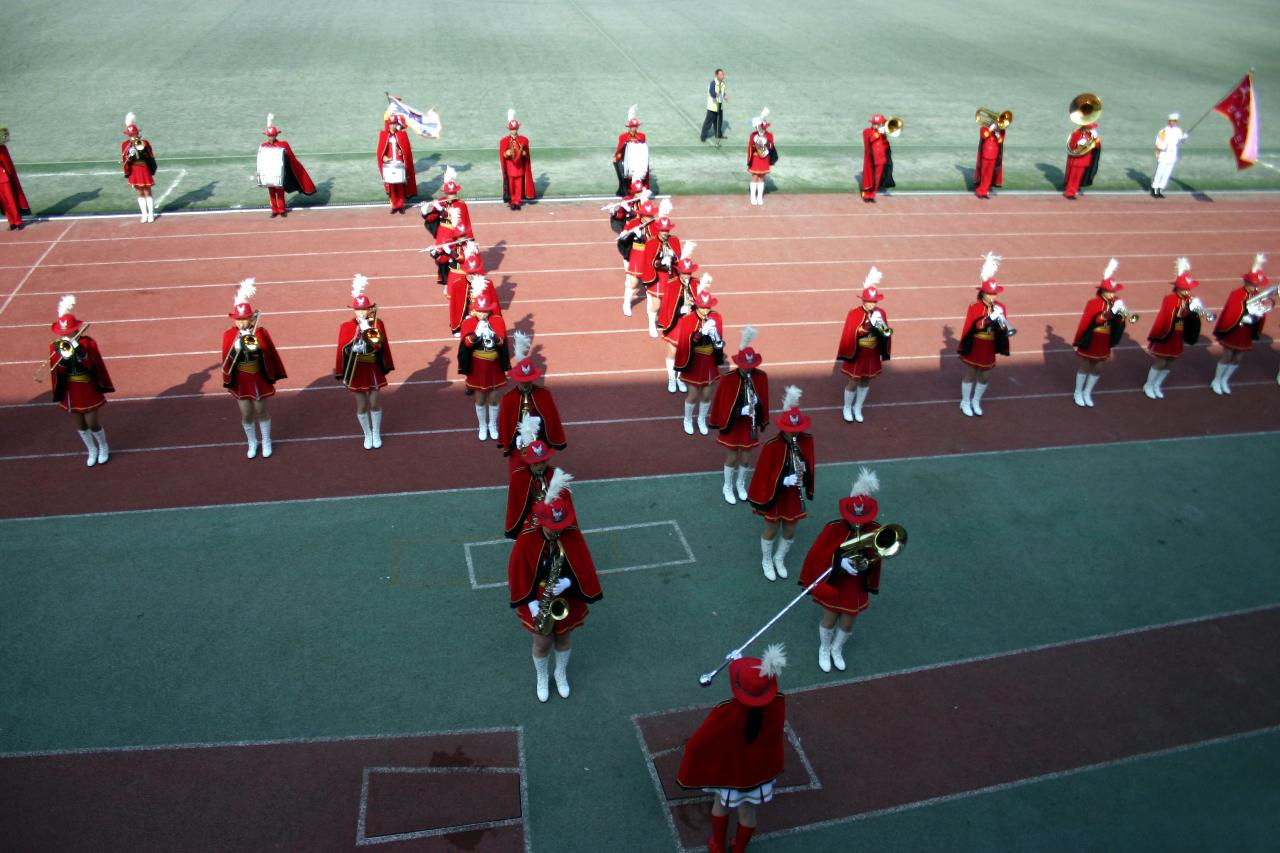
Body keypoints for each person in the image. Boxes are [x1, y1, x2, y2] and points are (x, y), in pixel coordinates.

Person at [676, 644, 787, 853]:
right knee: (748, 813)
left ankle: (717, 844)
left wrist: (690, 752)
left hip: (730, 773)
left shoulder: (726, 711)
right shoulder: (778, 705)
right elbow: (757, 693)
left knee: (721, 805)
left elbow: (701, 740)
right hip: (759, 772)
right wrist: (738, 663)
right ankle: (738, 848)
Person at [507, 469, 604, 702]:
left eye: (560, 526)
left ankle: (560, 673)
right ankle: (542, 676)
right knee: (541, 643)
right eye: (552, 527)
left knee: (564, 638)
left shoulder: (570, 534)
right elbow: (518, 572)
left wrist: (568, 582)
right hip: (538, 598)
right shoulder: (528, 537)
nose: (557, 531)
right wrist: (532, 605)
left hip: (564, 597)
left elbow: (582, 564)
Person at [798, 468, 884, 673]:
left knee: (847, 623)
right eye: (854, 518)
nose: (857, 523)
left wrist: (867, 561)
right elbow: (817, 555)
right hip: (836, 582)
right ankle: (824, 648)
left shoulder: (874, 530)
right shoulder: (834, 528)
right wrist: (839, 562)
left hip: (856, 584)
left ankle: (837, 649)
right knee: (829, 618)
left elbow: (877, 556)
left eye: (861, 519)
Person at [747, 386, 815, 581]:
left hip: (793, 494)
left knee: (791, 529)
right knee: (772, 528)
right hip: (775, 495)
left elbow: (810, 464)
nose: (794, 435)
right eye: (790, 431)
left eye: (797, 431)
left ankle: (779, 558)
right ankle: (766, 560)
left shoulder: (806, 441)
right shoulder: (772, 446)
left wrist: (804, 469)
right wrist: (783, 480)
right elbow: (763, 475)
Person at [221, 279, 286, 459]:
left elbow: (268, 355)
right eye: (238, 320)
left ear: (251, 318)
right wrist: (236, 350)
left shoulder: (259, 333)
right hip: (241, 379)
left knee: (261, 410)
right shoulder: (228, 336)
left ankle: (266, 440)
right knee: (246, 413)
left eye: (245, 319)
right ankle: (252, 442)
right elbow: (226, 363)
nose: (242, 323)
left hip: (257, 376)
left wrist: (256, 349)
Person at [45, 295, 113, 467]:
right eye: (63, 333)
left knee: (92, 422)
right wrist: (64, 357)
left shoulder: (87, 343)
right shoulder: (55, 346)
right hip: (71, 389)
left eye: (69, 331)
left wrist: (79, 351)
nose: (66, 334)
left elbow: (92, 364)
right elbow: (58, 370)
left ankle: (103, 446)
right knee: (81, 424)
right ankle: (91, 449)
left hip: (87, 387)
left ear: (76, 329)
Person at [708, 326, 768, 505]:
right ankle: (728, 486)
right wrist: (739, 411)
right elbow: (723, 403)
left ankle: (741, 484)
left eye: (751, 367)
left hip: (749, 424)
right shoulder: (729, 379)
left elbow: (764, 399)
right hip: (734, 424)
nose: (748, 370)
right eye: (745, 367)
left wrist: (756, 408)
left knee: (747, 457)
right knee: (733, 456)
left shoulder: (760, 377)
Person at [335, 274, 394, 449]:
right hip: (357, 369)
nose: (361, 312)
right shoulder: (347, 327)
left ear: (369, 309)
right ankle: (367, 434)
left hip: (372, 367)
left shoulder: (377, 324)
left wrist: (368, 332)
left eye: (364, 309)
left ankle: (376, 432)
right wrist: (352, 346)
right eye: (358, 310)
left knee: (375, 402)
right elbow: (342, 349)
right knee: (361, 405)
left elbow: (379, 345)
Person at [496, 331, 567, 471]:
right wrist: (516, 440)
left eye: (528, 381)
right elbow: (506, 423)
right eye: (523, 381)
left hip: (539, 439)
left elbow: (551, 418)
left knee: (540, 469)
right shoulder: (509, 397)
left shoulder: (544, 394)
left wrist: (538, 422)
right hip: (519, 441)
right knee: (518, 470)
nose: (526, 384)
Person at [1071, 259, 1132, 408]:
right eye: (1109, 291)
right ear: (1103, 291)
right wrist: (1111, 312)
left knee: (1098, 367)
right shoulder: (1094, 303)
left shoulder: (1116, 302)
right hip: (1093, 338)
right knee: (1086, 365)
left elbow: (1130, 318)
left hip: (1105, 339)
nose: (1112, 294)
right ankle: (1078, 392)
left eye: (1113, 291)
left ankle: (1087, 392)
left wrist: (1124, 313)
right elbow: (1096, 320)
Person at [958, 253, 1013, 417]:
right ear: (982, 293)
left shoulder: (1000, 307)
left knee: (985, 375)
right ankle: (965, 402)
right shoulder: (974, 307)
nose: (992, 296)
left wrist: (1001, 321)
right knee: (970, 373)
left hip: (989, 346)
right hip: (976, 344)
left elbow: (1002, 329)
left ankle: (976, 401)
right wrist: (990, 318)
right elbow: (976, 325)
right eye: (989, 293)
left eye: (994, 293)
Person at [836, 267, 891, 423]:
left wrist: (881, 326)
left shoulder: (881, 313)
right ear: (863, 300)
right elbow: (850, 333)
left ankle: (857, 407)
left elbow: (886, 334)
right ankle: (847, 407)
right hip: (858, 353)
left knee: (866, 380)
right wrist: (864, 328)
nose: (872, 305)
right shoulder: (854, 313)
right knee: (853, 381)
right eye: (869, 301)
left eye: (874, 302)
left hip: (872, 353)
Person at [1144, 257, 1205, 399]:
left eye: (1189, 289)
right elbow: (1170, 315)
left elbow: (1191, 320)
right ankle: (1149, 384)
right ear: (1178, 288)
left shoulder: (1190, 299)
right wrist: (1184, 311)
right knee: (1161, 361)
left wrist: (1195, 313)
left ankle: (1157, 384)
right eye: (1185, 289)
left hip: (1178, 335)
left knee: (1170, 362)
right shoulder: (1170, 299)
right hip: (1168, 334)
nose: (1188, 291)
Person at [457, 279, 510, 439]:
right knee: (480, 398)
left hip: (494, 365)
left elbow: (501, 342)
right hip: (477, 365)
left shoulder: (497, 320)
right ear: (474, 310)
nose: (482, 314)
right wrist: (477, 334)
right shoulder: (469, 322)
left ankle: (492, 425)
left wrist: (492, 334)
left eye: (485, 311)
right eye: (479, 311)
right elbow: (466, 343)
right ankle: (482, 426)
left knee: (494, 398)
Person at [1211, 254, 1270, 395]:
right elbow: (1232, 312)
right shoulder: (1237, 294)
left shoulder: (1258, 295)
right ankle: (1216, 380)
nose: (1255, 287)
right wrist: (1244, 317)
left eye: (1256, 285)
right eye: (1253, 284)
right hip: (1234, 330)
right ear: (1247, 282)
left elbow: (1259, 313)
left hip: (1246, 332)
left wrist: (1260, 314)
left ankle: (1225, 379)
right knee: (1227, 354)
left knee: (1238, 357)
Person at [673, 277, 725, 435]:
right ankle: (687, 419)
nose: (706, 311)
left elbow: (719, 344)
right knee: (694, 394)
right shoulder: (688, 320)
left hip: (708, 361)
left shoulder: (716, 318)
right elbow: (685, 343)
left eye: (708, 307)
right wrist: (700, 333)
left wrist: (716, 337)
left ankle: (701, 419)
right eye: (702, 307)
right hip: (694, 362)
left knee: (707, 393)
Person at [505, 417, 558, 539]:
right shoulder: (519, 476)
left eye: (542, 462)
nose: (540, 466)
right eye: (535, 463)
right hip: (529, 523)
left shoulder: (555, 475)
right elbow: (516, 505)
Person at [258, 114, 316, 218]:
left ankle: (281, 209)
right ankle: (274, 210)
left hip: (279, 172)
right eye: (270, 135)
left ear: (276, 135)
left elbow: (291, 157)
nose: (271, 137)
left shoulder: (283, 145)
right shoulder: (263, 146)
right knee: (271, 191)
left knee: (280, 191)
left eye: (273, 135)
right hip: (268, 173)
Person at [660, 252, 700, 393]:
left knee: (685, 352)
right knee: (673, 350)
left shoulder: (696, 284)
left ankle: (679, 377)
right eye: (684, 273)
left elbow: (701, 304)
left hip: (690, 324)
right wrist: (680, 310)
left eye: (689, 273)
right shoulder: (672, 285)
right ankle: (671, 377)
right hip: (676, 323)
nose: (687, 276)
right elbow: (668, 306)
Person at [640, 214, 681, 338]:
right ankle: (651, 322)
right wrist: (661, 260)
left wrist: (673, 257)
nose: (665, 232)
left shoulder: (674, 240)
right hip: (657, 276)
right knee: (657, 304)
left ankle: (663, 321)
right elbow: (650, 261)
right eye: (663, 230)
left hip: (670, 275)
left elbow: (679, 257)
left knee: (669, 302)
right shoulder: (652, 242)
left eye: (667, 230)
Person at [617, 196, 660, 317]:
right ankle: (626, 303)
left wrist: (645, 237)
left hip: (650, 255)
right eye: (647, 215)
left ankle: (652, 313)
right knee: (633, 282)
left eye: (651, 214)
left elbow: (657, 240)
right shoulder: (634, 223)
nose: (650, 217)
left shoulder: (654, 226)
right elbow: (623, 237)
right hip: (638, 254)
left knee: (651, 283)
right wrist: (629, 234)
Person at [120, 112, 157, 223]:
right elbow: (125, 160)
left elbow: (150, 155)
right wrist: (129, 155)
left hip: (143, 168)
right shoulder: (125, 145)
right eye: (130, 135)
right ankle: (144, 214)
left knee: (147, 191)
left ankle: (151, 214)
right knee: (139, 192)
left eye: (134, 135)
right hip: (134, 170)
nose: (132, 137)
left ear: (137, 134)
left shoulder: (144, 143)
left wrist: (142, 150)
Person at [376, 114, 416, 214]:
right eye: (391, 124)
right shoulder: (384, 135)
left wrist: (402, 153)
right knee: (392, 185)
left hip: (399, 163)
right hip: (389, 163)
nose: (393, 126)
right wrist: (383, 157)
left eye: (394, 123)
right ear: (388, 124)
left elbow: (407, 149)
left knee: (400, 184)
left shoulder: (402, 134)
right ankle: (394, 205)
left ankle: (401, 204)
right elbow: (380, 150)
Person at [421, 165, 474, 237]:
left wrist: (470, 238)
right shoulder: (441, 201)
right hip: (444, 235)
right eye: (450, 193)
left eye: (454, 192)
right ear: (445, 193)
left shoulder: (461, 204)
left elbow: (466, 222)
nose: (452, 195)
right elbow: (432, 218)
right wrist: (424, 211)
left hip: (457, 235)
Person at [500, 110, 535, 211]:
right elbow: (503, 154)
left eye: (515, 129)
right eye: (512, 129)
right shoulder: (505, 141)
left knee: (519, 186)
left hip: (519, 168)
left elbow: (525, 154)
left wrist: (523, 153)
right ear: (509, 130)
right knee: (511, 186)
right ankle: (512, 201)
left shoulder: (523, 140)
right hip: (510, 167)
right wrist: (507, 153)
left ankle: (517, 201)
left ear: (518, 128)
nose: (513, 131)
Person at [613, 105, 649, 195]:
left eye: (635, 126)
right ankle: (632, 201)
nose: (634, 128)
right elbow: (620, 149)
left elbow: (641, 145)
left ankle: (636, 204)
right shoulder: (623, 136)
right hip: (627, 161)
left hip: (637, 163)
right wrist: (616, 158)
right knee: (625, 177)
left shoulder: (641, 136)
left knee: (636, 186)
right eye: (632, 126)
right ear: (629, 127)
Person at [0, 127, 30, 231]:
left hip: (4, 178)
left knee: (11, 200)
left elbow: (6, 163)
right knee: (3, 202)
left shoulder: (2, 148)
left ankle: (18, 221)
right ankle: (11, 221)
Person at [859, 115, 894, 202]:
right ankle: (866, 195)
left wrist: (883, 133)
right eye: (874, 123)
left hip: (881, 158)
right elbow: (869, 138)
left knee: (878, 176)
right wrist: (878, 133)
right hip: (871, 158)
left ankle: (872, 194)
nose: (876, 125)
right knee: (869, 177)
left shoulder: (882, 133)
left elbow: (885, 145)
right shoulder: (867, 131)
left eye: (878, 124)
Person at [1151, 113, 1187, 198]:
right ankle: (1154, 189)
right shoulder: (1163, 131)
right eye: (1171, 121)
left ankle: (1160, 189)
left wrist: (1184, 138)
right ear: (1169, 121)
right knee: (1160, 172)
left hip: (1172, 155)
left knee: (1167, 173)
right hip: (1164, 154)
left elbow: (1181, 141)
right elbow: (1158, 143)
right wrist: (1164, 146)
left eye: (1174, 121)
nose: (1172, 122)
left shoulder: (1178, 131)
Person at [746, 108, 775, 206]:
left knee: (762, 178)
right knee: (754, 177)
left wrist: (763, 139)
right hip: (755, 158)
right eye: (761, 127)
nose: (763, 128)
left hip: (764, 159)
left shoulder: (769, 135)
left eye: (764, 127)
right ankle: (753, 197)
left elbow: (770, 147)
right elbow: (751, 147)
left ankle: (759, 197)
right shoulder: (753, 135)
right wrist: (757, 141)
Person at [1063, 123, 1100, 200]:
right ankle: (1070, 192)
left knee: (1077, 176)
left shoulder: (1090, 135)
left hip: (1083, 159)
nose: (1093, 130)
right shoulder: (1077, 134)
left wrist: (1095, 140)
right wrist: (1085, 141)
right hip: (1078, 159)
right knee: (1074, 176)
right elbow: (1073, 146)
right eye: (1091, 128)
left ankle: (1072, 188)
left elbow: (1097, 146)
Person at [974, 119, 1005, 199]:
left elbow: (1001, 141)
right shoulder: (984, 128)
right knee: (983, 174)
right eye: (995, 123)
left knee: (989, 175)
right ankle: (979, 191)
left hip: (994, 155)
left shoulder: (1001, 131)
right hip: (986, 154)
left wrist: (998, 134)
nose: (996, 125)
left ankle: (984, 191)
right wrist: (990, 129)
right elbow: (984, 135)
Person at [700, 69, 728, 144]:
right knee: (708, 123)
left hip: (719, 106)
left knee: (719, 122)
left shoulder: (722, 83)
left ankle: (718, 134)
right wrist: (716, 95)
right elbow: (712, 93)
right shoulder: (713, 83)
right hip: (712, 107)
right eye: (721, 74)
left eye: (723, 74)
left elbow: (722, 92)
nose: (723, 76)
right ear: (716, 75)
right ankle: (703, 136)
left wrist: (724, 96)